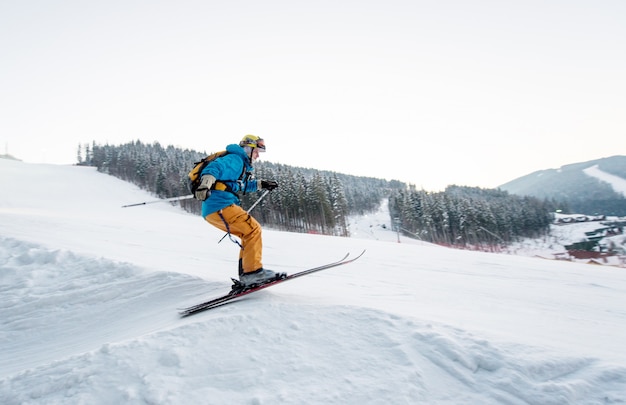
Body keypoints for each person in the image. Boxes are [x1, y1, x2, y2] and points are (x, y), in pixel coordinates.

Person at [194, 135, 282, 287]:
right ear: (249, 148)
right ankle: (252, 273)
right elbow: (214, 168)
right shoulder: (236, 159)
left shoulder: (241, 165)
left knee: (248, 234)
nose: (258, 155)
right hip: (220, 205)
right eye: (257, 151)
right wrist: (205, 185)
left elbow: (240, 185)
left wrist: (262, 184)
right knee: (253, 230)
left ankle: (247, 274)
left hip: (214, 208)